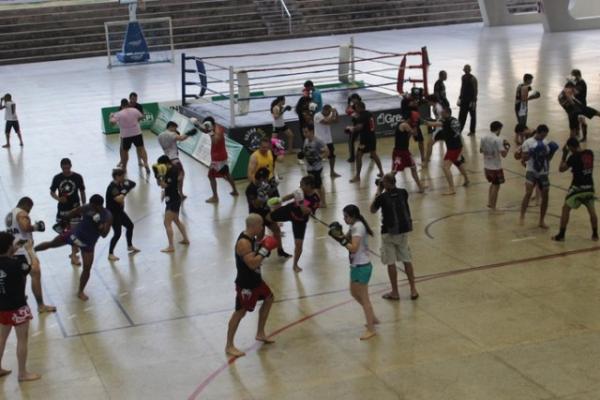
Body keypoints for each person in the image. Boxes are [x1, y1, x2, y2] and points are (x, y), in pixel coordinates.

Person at [34, 194, 112, 301]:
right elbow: (73, 212)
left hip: (88, 244)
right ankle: (31, 251)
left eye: (93, 205)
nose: (90, 206)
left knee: (87, 268)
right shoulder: (87, 207)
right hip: (74, 235)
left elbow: (104, 235)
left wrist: (99, 224)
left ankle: (80, 291)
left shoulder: (107, 216)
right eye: (90, 204)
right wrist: (64, 222)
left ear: (99, 206)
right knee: (51, 243)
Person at [225, 214, 277, 357]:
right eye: (260, 225)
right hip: (246, 284)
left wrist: (262, 247)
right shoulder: (243, 243)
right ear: (254, 226)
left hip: (256, 280)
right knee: (240, 312)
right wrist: (264, 250)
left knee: (269, 298)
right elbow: (253, 263)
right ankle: (229, 346)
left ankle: (260, 333)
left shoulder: (251, 238)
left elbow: (256, 257)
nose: (262, 228)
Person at [328, 205, 379, 340]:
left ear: (353, 216)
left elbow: (353, 248)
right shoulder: (354, 226)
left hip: (362, 266)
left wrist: (342, 240)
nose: (344, 219)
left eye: (346, 217)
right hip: (356, 266)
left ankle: (371, 328)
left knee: (364, 298)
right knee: (354, 293)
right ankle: (372, 317)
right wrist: (337, 234)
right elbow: (344, 239)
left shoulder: (358, 227)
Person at [370, 173, 419, 301]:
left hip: (388, 232)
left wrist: (378, 191)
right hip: (403, 231)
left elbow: (372, 210)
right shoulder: (403, 192)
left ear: (386, 183)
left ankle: (395, 292)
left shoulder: (382, 197)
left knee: (391, 262)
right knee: (406, 259)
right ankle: (413, 289)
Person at [0, 233, 41, 381]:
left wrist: (12, 251)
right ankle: (22, 373)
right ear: (10, 247)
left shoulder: (10, 261)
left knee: (2, 338)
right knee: (22, 340)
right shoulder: (16, 264)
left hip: (2, 307)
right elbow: (35, 271)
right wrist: (30, 251)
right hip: (18, 308)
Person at [5, 197, 55, 313]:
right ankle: (41, 305)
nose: (29, 212)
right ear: (27, 205)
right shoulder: (22, 213)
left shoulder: (9, 214)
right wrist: (37, 227)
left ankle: (21, 299)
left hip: (13, 250)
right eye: (30, 209)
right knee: (35, 275)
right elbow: (25, 227)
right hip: (25, 250)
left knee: (21, 276)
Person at [267, 175, 320, 273]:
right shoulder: (300, 191)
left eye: (302, 185)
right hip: (289, 211)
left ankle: (295, 265)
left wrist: (300, 201)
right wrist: (279, 200)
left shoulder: (315, 199)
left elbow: (305, 211)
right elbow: (291, 196)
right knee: (267, 218)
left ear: (309, 186)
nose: (300, 186)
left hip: (300, 221)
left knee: (298, 244)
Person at [552, 138, 598, 241]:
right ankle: (595, 234)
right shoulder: (590, 153)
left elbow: (561, 169)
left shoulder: (573, 157)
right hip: (589, 186)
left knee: (565, 209)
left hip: (577, 187)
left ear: (571, 147)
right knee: (592, 211)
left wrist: (564, 154)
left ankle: (561, 235)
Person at [519, 125, 559, 228]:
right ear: (538, 132)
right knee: (528, 193)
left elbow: (548, 159)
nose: (543, 137)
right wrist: (532, 153)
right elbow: (523, 157)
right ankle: (522, 216)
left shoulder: (546, 143)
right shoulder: (528, 142)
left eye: (545, 135)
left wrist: (551, 153)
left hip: (543, 172)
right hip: (531, 170)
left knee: (545, 196)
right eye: (542, 135)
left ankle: (541, 220)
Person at [245, 167, 290, 258]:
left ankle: (280, 250)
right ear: (262, 178)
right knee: (260, 235)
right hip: (256, 215)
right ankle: (257, 253)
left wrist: (272, 189)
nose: (267, 180)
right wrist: (263, 194)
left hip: (266, 212)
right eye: (266, 178)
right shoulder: (250, 189)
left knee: (276, 230)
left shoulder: (265, 185)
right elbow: (256, 205)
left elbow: (272, 198)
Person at [50, 158, 86, 266]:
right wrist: (58, 198)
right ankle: (74, 252)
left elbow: (82, 191)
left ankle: (74, 255)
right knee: (70, 233)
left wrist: (84, 206)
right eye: (64, 168)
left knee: (74, 233)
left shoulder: (78, 177)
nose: (66, 170)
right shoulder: (57, 178)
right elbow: (52, 192)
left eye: (67, 167)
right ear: (61, 167)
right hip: (62, 210)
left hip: (75, 209)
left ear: (71, 166)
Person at [427, 108, 469, 194]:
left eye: (442, 113)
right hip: (458, 145)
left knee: (445, 167)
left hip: (453, 148)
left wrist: (422, 121)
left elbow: (433, 124)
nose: (441, 114)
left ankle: (452, 189)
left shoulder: (446, 121)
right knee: (457, 162)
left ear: (447, 113)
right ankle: (467, 179)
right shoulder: (454, 120)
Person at [152, 156, 190, 252]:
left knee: (167, 222)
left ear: (165, 163)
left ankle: (171, 246)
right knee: (176, 220)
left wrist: (158, 177)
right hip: (174, 198)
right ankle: (186, 239)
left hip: (173, 200)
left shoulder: (172, 172)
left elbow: (164, 185)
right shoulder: (170, 169)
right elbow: (163, 186)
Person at [106, 169, 139, 261]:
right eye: (122, 176)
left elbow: (133, 183)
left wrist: (125, 184)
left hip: (120, 212)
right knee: (117, 233)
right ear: (117, 176)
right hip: (112, 214)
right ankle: (110, 253)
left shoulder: (120, 184)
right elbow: (119, 199)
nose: (124, 178)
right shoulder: (113, 187)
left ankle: (129, 246)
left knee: (130, 226)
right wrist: (125, 190)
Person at [110, 98, 150, 173]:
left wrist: (111, 116)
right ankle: (146, 163)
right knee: (141, 149)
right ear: (128, 104)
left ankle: (124, 167)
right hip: (137, 133)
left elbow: (112, 123)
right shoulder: (134, 110)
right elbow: (142, 117)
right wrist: (135, 121)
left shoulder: (119, 114)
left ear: (121, 105)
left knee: (125, 151)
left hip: (126, 135)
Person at [348, 101, 384, 183]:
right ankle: (381, 172)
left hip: (365, 140)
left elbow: (359, 127)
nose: (355, 109)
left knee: (358, 156)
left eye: (356, 107)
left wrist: (351, 128)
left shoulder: (362, 116)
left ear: (360, 107)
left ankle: (357, 176)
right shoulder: (369, 114)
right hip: (372, 137)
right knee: (374, 154)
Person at [392, 111, 425, 192]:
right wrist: (416, 125)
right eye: (414, 120)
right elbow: (415, 134)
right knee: (394, 172)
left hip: (405, 152)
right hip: (399, 153)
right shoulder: (405, 125)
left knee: (413, 168)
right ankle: (385, 185)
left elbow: (408, 136)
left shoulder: (403, 123)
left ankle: (420, 187)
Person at [480, 121, 510, 210]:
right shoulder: (498, 139)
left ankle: (490, 202)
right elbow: (504, 154)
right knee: (496, 186)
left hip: (486, 166)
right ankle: (493, 207)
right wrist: (507, 146)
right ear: (499, 129)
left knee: (493, 184)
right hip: (496, 167)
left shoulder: (483, 137)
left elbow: (481, 150)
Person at [158, 121, 192, 199]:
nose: (175, 130)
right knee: (181, 175)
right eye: (175, 128)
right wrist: (189, 133)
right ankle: (180, 193)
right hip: (174, 159)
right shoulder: (171, 134)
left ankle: (169, 191)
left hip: (166, 160)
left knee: (170, 177)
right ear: (171, 127)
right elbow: (181, 138)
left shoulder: (160, 136)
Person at [300, 124, 329, 207]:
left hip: (316, 168)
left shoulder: (318, 141)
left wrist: (319, 157)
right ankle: (315, 202)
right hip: (309, 167)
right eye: (303, 132)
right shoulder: (306, 140)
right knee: (311, 186)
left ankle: (323, 203)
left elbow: (327, 152)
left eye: (306, 132)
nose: (304, 134)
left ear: (312, 131)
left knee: (318, 186)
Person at [313, 104, 341, 178]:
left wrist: (336, 112)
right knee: (318, 157)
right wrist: (332, 114)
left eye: (330, 112)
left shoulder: (329, 114)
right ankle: (316, 173)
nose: (329, 114)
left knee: (332, 156)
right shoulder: (317, 115)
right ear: (324, 110)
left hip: (328, 140)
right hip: (319, 140)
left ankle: (332, 172)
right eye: (328, 112)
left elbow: (337, 121)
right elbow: (326, 122)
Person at [457, 64, 478, 136]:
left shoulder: (473, 79)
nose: (466, 70)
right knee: (461, 116)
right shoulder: (463, 77)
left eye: (467, 69)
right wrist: (460, 97)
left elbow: (475, 90)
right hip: (463, 100)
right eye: (465, 69)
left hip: (470, 100)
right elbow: (462, 87)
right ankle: (459, 130)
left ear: (470, 70)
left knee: (472, 116)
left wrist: (474, 101)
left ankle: (472, 131)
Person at [345, 93, 362, 162]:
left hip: (360, 125)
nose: (352, 101)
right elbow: (347, 111)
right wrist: (349, 103)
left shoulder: (360, 105)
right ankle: (352, 157)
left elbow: (351, 112)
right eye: (351, 100)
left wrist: (352, 112)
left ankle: (352, 157)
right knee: (351, 141)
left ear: (356, 99)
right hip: (356, 125)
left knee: (352, 141)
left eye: (353, 99)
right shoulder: (353, 104)